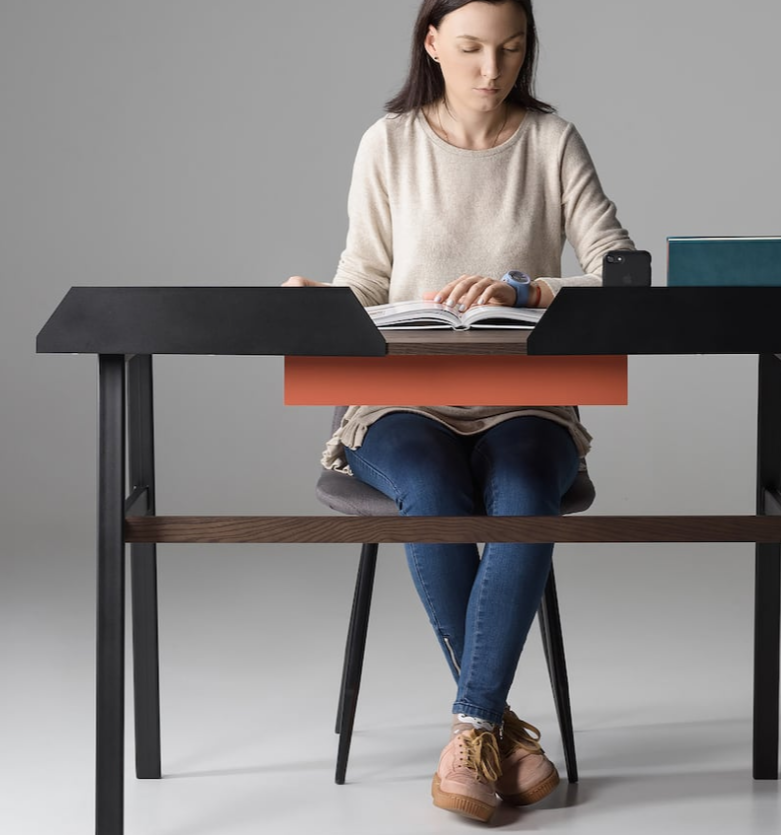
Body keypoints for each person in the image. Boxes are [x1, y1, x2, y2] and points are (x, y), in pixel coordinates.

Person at [283, 0, 634, 823]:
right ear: (431, 42)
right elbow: (366, 278)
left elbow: (622, 269)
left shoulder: (551, 142)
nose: (491, 70)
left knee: (523, 494)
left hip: (527, 398)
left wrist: (528, 288)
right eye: (471, 48)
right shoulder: (389, 143)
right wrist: (319, 304)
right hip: (402, 396)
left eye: (510, 50)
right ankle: (497, 731)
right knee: (432, 490)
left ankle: (473, 729)